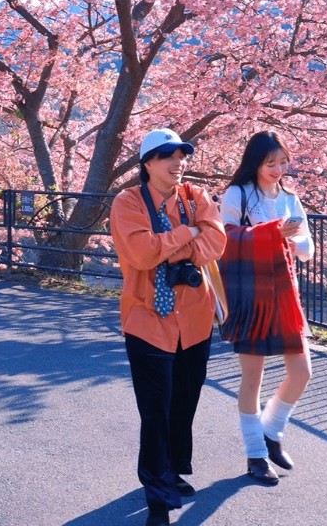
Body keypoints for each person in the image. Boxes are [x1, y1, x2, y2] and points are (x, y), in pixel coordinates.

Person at [109, 128, 226, 526]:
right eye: (166, 156)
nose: (177, 162)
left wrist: (175, 240)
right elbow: (140, 254)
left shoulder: (197, 198)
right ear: (147, 164)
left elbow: (216, 242)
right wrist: (189, 233)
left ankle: (173, 470)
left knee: (185, 401)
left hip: (194, 318)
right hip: (147, 320)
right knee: (155, 409)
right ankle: (157, 493)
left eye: (181, 155)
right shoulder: (128, 203)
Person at [218, 131, 314, 485]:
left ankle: (272, 432)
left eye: (282, 162)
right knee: (252, 378)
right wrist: (274, 232)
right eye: (269, 163)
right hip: (249, 293)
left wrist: (292, 238)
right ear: (255, 163)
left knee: (301, 371)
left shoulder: (290, 197)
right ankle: (255, 454)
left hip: (285, 293)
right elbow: (224, 238)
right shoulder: (238, 194)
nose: (277, 169)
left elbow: (307, 248)